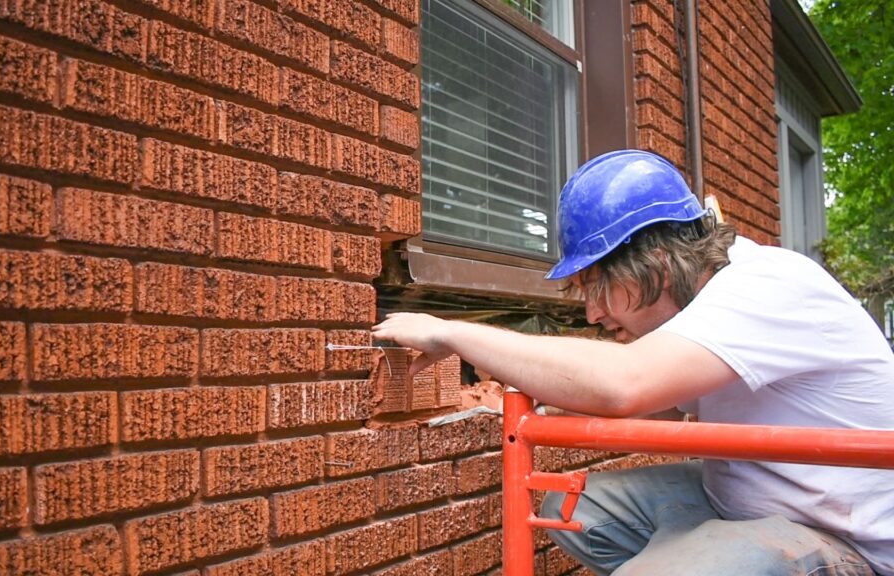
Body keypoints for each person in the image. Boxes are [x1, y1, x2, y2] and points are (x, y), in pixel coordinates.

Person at [371, 150, 894, 576]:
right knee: (570, 510)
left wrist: (451, 331)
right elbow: (655, 410)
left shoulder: (768, 285)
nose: (593, 313)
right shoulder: (705, 309)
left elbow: (624, 385)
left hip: (846, 538)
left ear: (658, 264)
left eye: (596, 287)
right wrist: (514, 401)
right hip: (752, 500)